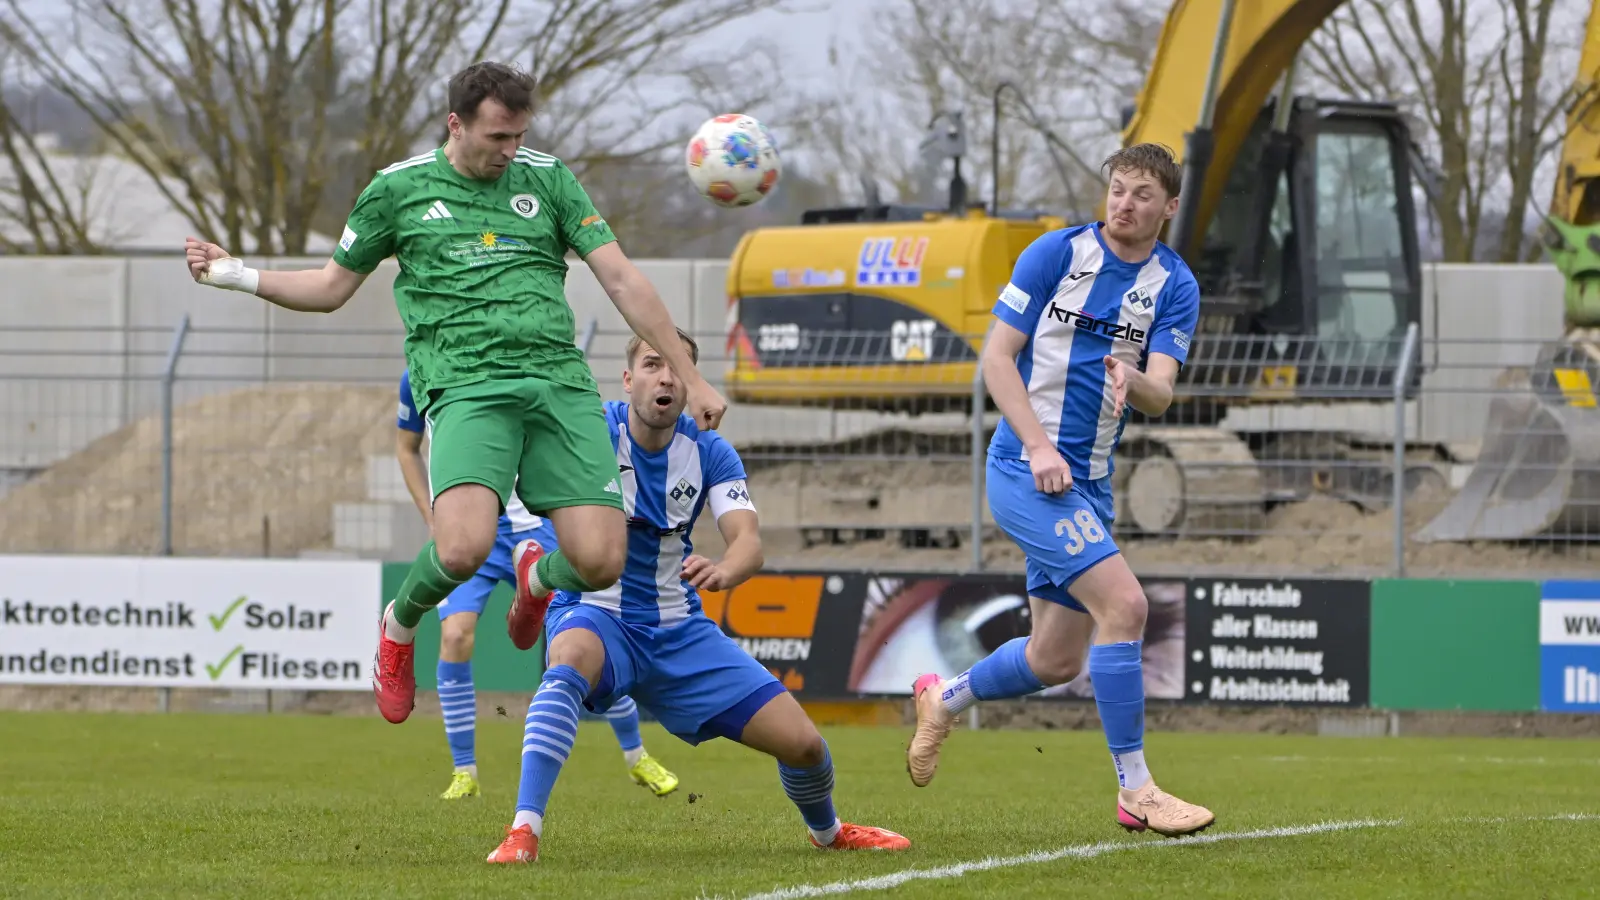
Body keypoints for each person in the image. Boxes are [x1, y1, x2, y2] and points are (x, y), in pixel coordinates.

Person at [183, 60, 726, 725]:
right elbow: (328, 288)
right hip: (467, 387)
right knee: (463, 549)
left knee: (599, 561)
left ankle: (535, 581)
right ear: (456, 124)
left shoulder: (549, 180)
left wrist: (690, 373)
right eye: (497, 137)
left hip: (558, 386)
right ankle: (400, 624)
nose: (510, 151)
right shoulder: (398, 191)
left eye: (518, 136)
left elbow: (621, 280)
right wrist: (235, 274)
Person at [485, 329, 911, 863]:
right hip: (597, 609)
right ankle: (524, 831)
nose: (664, 377)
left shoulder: (709, 452)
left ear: (691, 385)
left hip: (679, 630)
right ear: (627, 378)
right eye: (651, 364)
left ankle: (829, 833)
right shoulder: (593, 429)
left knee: (805, 746)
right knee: (569, 660)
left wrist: (727, 568)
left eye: (679, 369)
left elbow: (748, 541)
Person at [905, 143, 1214, 837]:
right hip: (1025, 468)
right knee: (1127, 606)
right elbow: (996, 358)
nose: (1124, 203)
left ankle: (943, 699)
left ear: (1168, 207)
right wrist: (1040, 446)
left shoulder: (1174, 283)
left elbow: (1162, 390)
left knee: (1054, 659)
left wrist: (1135, 382)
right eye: (1118, 189)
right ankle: (1136, 789)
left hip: (1090, 483)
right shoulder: (1056, 254)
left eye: (1142, 195)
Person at [394, 368, 680, 800]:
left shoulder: (525, 358)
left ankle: (636, 756)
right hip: (473, 528)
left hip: (534, 529)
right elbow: (406, 447)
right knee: (454, 635)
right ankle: (464, 771)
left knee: (580, 636)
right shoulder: (422, 371)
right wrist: (432, 517)